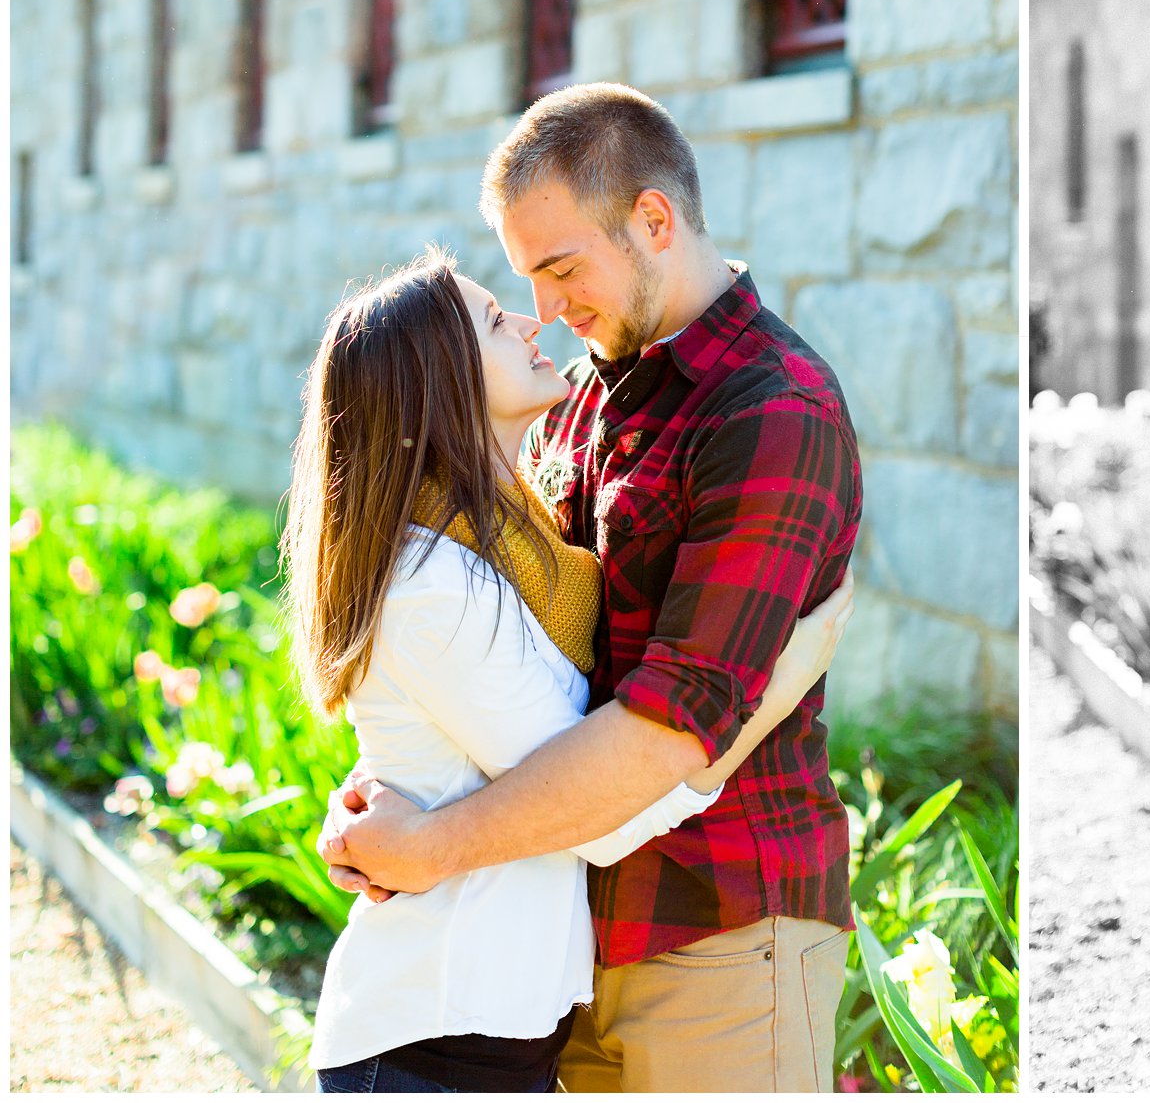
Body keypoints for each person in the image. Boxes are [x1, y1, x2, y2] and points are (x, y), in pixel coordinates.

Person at [319, 83, 863, 1092]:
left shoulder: (770, 411)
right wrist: (389, 790)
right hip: (563, 952)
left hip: (718, 928)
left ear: (653, 221)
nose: (548, 312)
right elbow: (499, 671)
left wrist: (429, 845)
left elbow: (668, 732)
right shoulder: (578, 410)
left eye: (562, 269)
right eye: (526, 282)